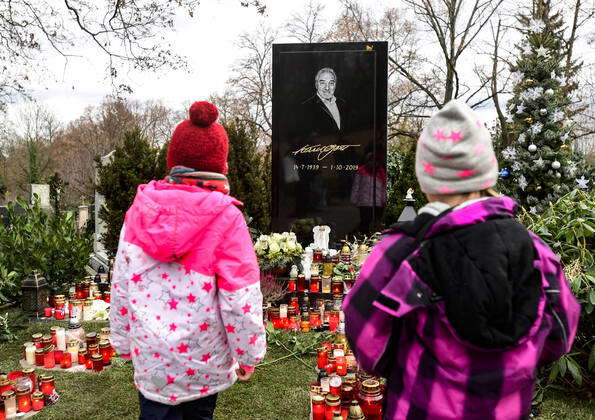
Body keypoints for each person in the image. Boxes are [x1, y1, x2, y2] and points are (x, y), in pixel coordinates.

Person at [343, 100, 580, 420]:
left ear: (427, 178)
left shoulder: (400, 251)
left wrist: (406, 360)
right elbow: (560, 338)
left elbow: (368, 345)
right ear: (486, 172)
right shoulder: (537, 252)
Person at [109, 101, 266, 420]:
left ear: (173, 160)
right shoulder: (227, 218)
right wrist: (248, 354)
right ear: (220, 165)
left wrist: (123, 341)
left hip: (153, 361)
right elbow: (241, 298)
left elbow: (122, 284)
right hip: (203, 362)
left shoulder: (139, 213)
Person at [300, 67, 348, 137]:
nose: (327, 88)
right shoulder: (306, 107)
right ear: (316, 85)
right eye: (322, 83)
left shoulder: (343, 103)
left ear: (335, 85)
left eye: (331, 83)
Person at [350, 151, 387, 233]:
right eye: (371, 160)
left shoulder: (381, 172)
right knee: (365, 220)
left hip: (378, 203)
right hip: (364, 202)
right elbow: (356, 186)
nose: (373, 162)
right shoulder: (361, 171)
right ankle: (363, 236)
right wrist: (354, 198)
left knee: (377, 221)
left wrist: (384, 200)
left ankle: (373, 236)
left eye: (376, 160)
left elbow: (384, 188)